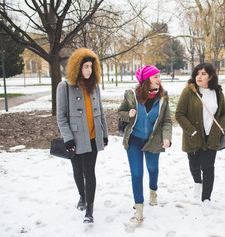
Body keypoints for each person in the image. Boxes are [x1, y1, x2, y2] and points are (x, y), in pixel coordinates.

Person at [56, 48, 108, 223]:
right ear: (77, 67)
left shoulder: (95, 87)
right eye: (85, 66)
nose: (89, 70)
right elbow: (61, 116)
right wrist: (68, 137)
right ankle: (82, 196)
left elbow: (100, 112)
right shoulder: (64, 87)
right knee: (78, 171)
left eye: (91, 67)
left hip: (93, 137)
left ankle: (90, 210)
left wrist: (104, 134)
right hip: (75, 139)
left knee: (89, 172)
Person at [118, 65, 172, 223]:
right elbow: (120, 112)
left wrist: (167, 137)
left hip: (153, 140)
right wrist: (128, 114)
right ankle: (139, 208)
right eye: (155, 77)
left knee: (152, 168)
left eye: (159, 77)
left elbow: (167, 121)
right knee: (136, 174)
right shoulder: (131, 94)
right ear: (146, 80)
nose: (159, 80)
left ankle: (153, 192)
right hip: (134, 139)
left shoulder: (163, 97)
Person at [175, 62, 225, 213]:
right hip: (193, 136)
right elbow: (179, 114)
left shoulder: (217, 92)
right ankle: (197, 182)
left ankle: (206, 199)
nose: (199, 76)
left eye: (203, 74)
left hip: (211, 137)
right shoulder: (189, 91)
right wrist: (192, 131)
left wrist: (219, 130)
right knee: (194, 165)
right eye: (197, 73)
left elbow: (224, 113)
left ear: (210, 76)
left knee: (208, 167)